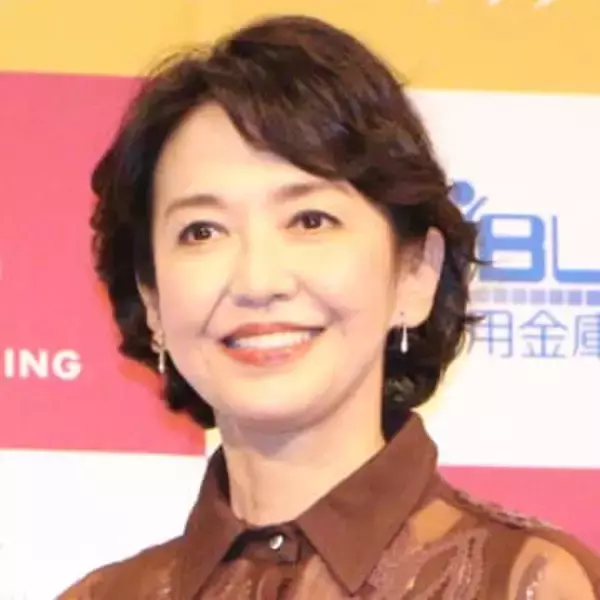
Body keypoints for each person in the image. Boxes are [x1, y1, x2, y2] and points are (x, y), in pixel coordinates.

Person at [59, 14, 600, 600]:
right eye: (202, 231)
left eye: (310, 220)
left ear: (415, 272)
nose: (258, 281)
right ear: (152, 302)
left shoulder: (524, 582)